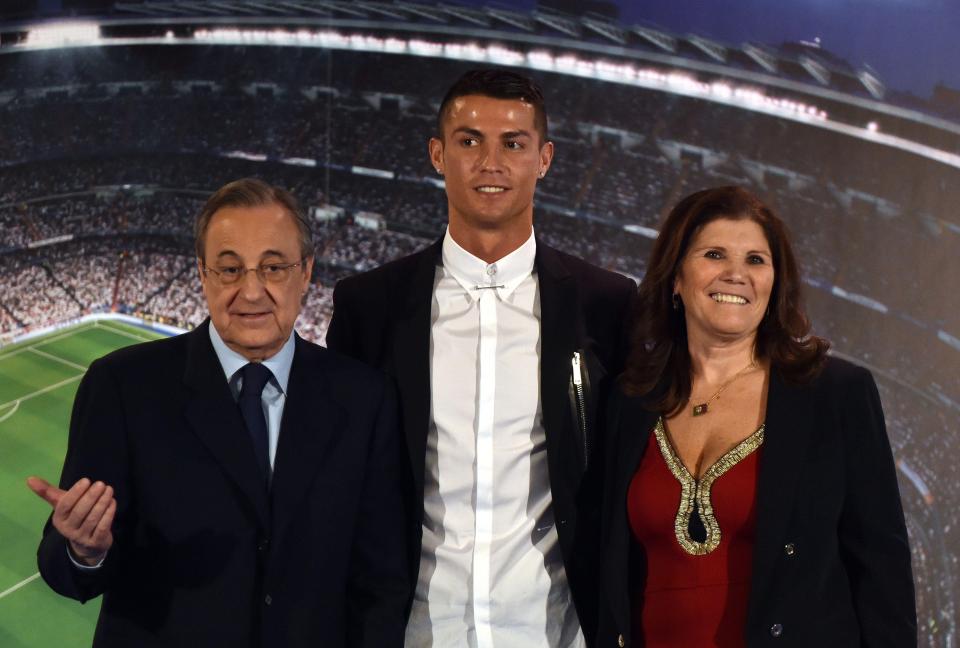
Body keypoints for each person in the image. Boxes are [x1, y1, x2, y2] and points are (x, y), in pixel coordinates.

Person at [28, 178, 410, 648]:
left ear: (306, 273)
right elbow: (63, 569)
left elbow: (382, 580)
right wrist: (83, 550)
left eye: (274, 267)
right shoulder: (122, 387)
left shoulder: (363, 398)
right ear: (203, 274)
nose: (251, 292)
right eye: (229, 270)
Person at [326, 69, 635, 647]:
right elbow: (340, 480)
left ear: (544, 159)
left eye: (513, 144)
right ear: (438, 154)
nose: (490, 162)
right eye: (469, 141)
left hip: (555, 636)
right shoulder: (369, 306)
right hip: (413, 632)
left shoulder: (608, 305)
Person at [597, 186, 916, 647]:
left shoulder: (836, 394)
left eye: (755, 260)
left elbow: (881, 567)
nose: (736, 275)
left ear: (775, 281)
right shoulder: (631, 399)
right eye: (714, 254)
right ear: (676, 278)